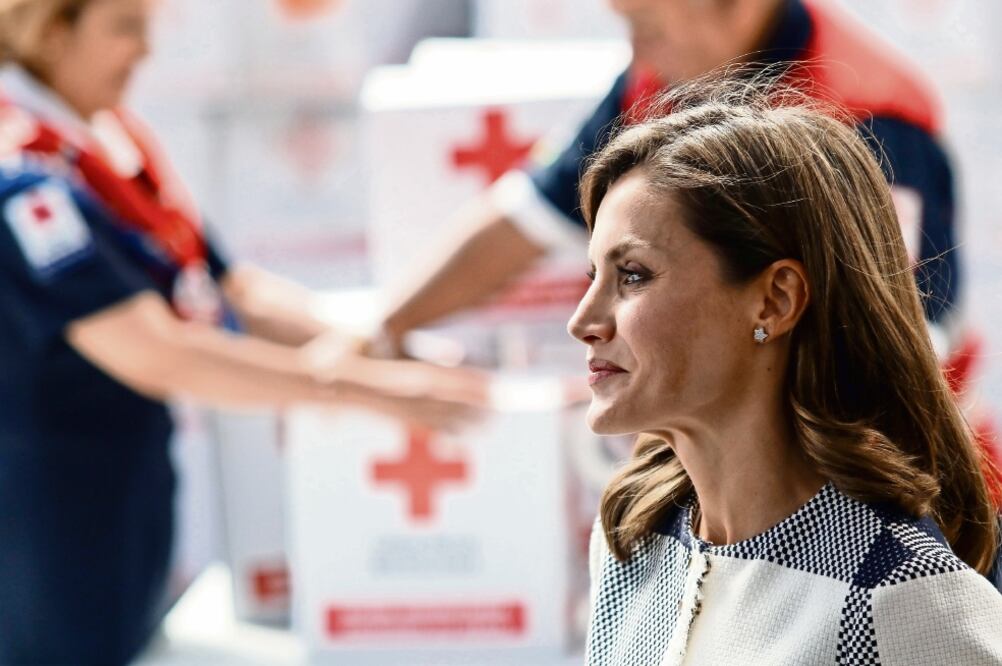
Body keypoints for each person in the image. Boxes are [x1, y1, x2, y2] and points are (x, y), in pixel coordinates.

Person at [0, 1, 484, 663]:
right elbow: (157, 354)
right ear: (52, 33)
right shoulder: (22, 179)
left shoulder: (108, 147)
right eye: (123, 29)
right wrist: (369, 388)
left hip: (121, 501)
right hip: (46, 524)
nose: (145, 51)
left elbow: (228, 291)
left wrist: (390, 344)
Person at [567, 74, 1002, 665]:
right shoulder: (634, 534)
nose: (583, 320)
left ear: (775, 300)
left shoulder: (904, 600)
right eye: (594, 276)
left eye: (633, 275)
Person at [376, 0, 965, 385]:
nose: (636, 54)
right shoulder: (657, 82)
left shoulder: (868, 122)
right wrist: (385, 331)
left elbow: (898, 348)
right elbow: (524, 220)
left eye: (645, 28)